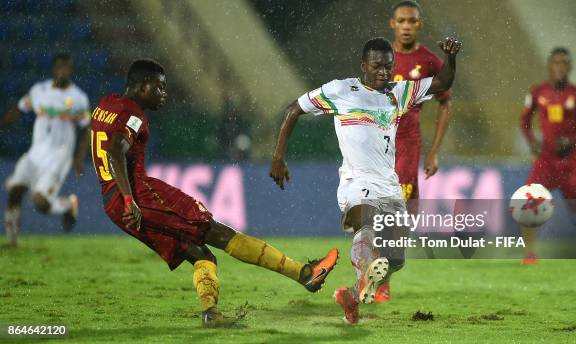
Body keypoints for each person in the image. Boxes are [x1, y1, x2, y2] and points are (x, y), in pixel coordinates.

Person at [90, 59, 338, 327]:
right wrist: (130, 199)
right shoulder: (135, 114)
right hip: (138, 196)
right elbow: (115, 150)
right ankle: (304, 274)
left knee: (201, 254)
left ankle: (211, 313)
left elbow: (102, 142)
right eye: (159, 88)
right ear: (141, 86)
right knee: (216, 231)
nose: (164, 94)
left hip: (111, 201)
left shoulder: (106, 104)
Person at [270, 37, 461, 324]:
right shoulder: (341, 90)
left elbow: (442, 83)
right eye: (377, 66)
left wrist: (451, 58)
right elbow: (294, 108)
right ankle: (363, 274)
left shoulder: (400, 92)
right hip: (356, 180)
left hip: (389, 184)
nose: (384, 72)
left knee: (395, 260)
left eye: (388, 66)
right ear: (363, 66)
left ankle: (352, 296)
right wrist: (278, 156)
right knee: (366, 225)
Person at [520, 47, 576, 265]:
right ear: (549, 65)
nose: (559, 66)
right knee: (527, 201)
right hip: (547, 159)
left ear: (570, 67)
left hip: (572, 161)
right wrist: (532, 142)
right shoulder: (537, 92)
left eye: (564, 62)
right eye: (556, 62)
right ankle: (530, 254)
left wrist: (571, 140)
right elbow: (524, 121)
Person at [2, 53, 87, 247]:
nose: (63, 71)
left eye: (67, 68)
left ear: (71, 70)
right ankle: (12, 241)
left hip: (60, 155)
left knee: (40, 203)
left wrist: (79, 157)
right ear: (54, 69)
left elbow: (86, 128)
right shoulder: (39, 91)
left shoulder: (78, 98)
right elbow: (18, 108)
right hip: (35, 152)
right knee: (15, 190)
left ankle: (67, 205)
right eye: (60, 67)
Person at [390, 1, 452, 201]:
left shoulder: (430, 61)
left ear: (419, 25)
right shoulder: (380, 57)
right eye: (401, 21)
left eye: (412, 21)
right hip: (377, 141)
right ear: (393, 24)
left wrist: (433, 151)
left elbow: (445, 104)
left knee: (400, 202)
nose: (406, 26)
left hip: (408, 142)